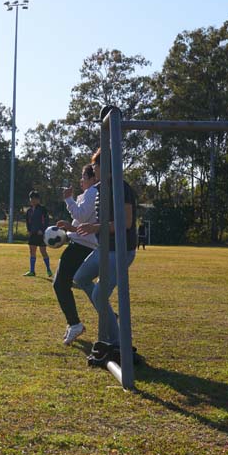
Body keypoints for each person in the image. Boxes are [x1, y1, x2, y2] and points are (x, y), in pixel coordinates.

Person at [72, 148, 138, 363]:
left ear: (106, 166)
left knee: (100, 295)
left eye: (96, 166)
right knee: (80, 278)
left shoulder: (122, 188)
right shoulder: (99, 188)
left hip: (120, 250)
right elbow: (89, 220)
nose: (93, 170)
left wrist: (96, 227)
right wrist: (71, 228)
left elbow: (126, 223)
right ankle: (108, 315)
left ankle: (118, 344)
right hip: (103, 249)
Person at [53, 163, 99, 345]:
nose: (81, 181)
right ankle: (107, 315)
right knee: (81, 283)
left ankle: (75, 324)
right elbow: (82, 225)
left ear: (93, 178)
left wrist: (68, 199)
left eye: (84, 177)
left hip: (81, 247)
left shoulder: (92, 192)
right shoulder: (92, 193)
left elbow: (80, 216)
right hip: (83, 245)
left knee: (60, 284)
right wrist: (69, 229)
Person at [24, 190, 52, 277]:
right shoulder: (29, 211)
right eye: (31, 198)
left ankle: (48, 269)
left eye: (35, 198)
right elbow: (28, 222)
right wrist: (29, 230)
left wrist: (42, 230)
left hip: (41, 234)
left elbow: (46, 221)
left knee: (43, 251)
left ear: (38, 199)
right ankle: (32, 271)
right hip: (33, 233)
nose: (33, 200)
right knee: (32, 251)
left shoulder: (42, 209)